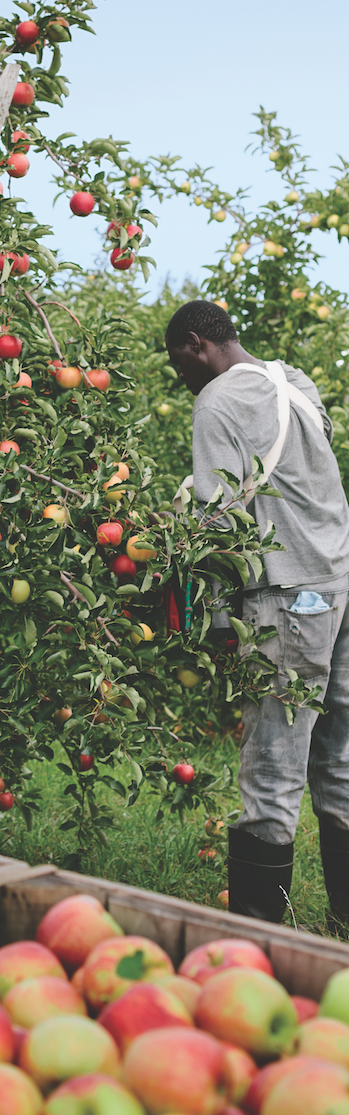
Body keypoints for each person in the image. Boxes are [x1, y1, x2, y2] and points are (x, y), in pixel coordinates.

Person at [165, 299, 349, 926]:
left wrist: (219, 624)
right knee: (342, 761)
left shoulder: (216, 401)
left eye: (178, 363)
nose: (181, 377)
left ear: (196, 345)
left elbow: (218, 525)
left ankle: (258, 943)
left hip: (290, 600)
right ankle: (345, 924)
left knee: (273, 769)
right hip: (340, 584)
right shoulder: (293, 380)